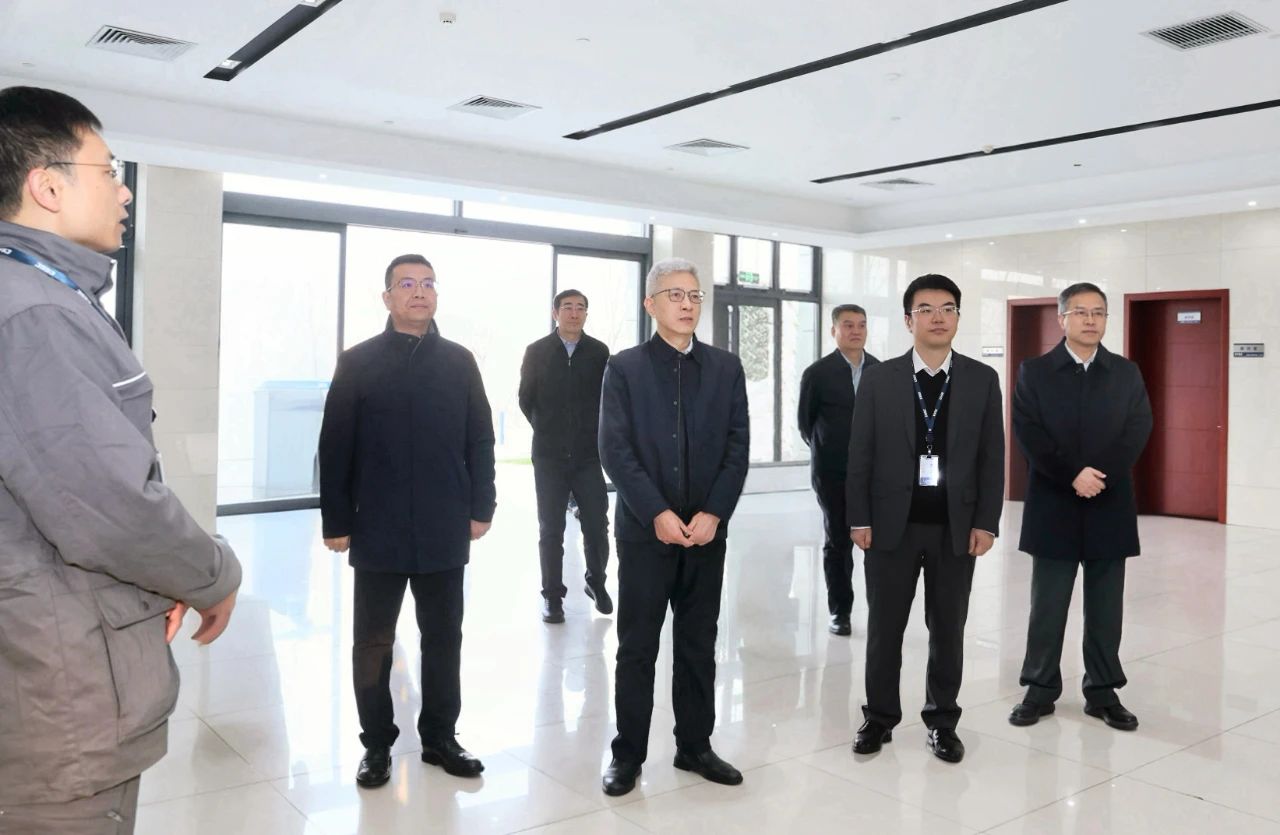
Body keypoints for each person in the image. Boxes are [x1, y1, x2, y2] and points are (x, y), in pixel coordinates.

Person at [0, 85, 241, 834]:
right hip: (56, 699)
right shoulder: (35, 312)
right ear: (47, 186)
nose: (124, 189)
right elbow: (110, 508)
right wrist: (213, 573)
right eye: (107, 171)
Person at [319, 254, 496, 788]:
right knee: (373, 642)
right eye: (407, 284)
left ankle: (441, 737)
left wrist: (481, 506)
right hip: (377, 523)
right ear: (388, 297)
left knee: (443, 637)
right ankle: (376, 744)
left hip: (444, 521)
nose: (419, 292)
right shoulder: (358, 362)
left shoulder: (460, 361)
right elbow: (335, 445)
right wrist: (336, 520)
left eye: (428, 284)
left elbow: (480, 438)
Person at [598, 258, 749, 796]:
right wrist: (657, 513)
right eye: (675, 295)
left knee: (698, 643)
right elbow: (614, 449)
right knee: (638, 646)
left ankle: (695, 746)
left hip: (706, 534)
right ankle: (628, 754)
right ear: (650, 304)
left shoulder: (726, 368)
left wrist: (714, 513)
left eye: (694, 295)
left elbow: (737, 447)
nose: (687, 305)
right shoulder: (625, 368)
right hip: (646, 533)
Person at [846, 273, 1004, 764]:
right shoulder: (880, 378)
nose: (938, 318)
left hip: (955, 529)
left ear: (958, 316)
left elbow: (992, 456)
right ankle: (879, 717)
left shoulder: (981, 378)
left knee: (948, 628)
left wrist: (986, 521)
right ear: (907, 319)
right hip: (890, 527)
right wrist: (858, 518)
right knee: (885, 628)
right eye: (926, 309)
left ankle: (942, 720)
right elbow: (860, 452)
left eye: (948, 308)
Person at [1008, 282, 1152, 731]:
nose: (1091, 320)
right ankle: (1039, 689)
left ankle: (1103, 692)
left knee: (1106, 608)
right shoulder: (1035, 371)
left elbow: (1138, 427)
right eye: (1081, 312)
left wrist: (1098, 475)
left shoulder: (1125, 372)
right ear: (1062, 319)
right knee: (1048, 605)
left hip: (1110, 501)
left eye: (1099, 312)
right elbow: (1029, 432)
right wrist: (1072, 473)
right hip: (1054, 502)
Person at [518, 288, 612, 624]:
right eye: (568, 307)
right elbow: (525, 399)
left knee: (597, 524)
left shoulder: (599, 352)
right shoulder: (537, 351)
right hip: (549, 457)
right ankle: (553, 598)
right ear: (555, 312)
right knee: (551, 528)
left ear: (586, 313)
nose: (574, 313)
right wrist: (548, 429)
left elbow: (607, 398)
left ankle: (596, 581)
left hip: (588, 456)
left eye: (580, 308)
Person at [798, 304, 880, 636]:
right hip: (832, 473)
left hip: (875, 473)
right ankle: (840, 612)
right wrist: (831, 447)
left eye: (861, 325)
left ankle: (881, 610)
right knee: (838, 542)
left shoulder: (881, 371)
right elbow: (806, 425)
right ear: (834, 331)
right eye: (848, 325)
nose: (856, 331)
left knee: (879, 543)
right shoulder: (817, 373)